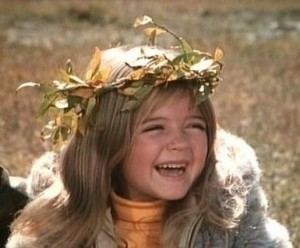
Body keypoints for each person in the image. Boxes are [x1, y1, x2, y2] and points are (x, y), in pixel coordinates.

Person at [6, 17, 292, 248]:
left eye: (195, 126)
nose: (179, 143)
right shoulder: (55, 222)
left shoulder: (231, 212)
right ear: (110, 139)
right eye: (155, 128)